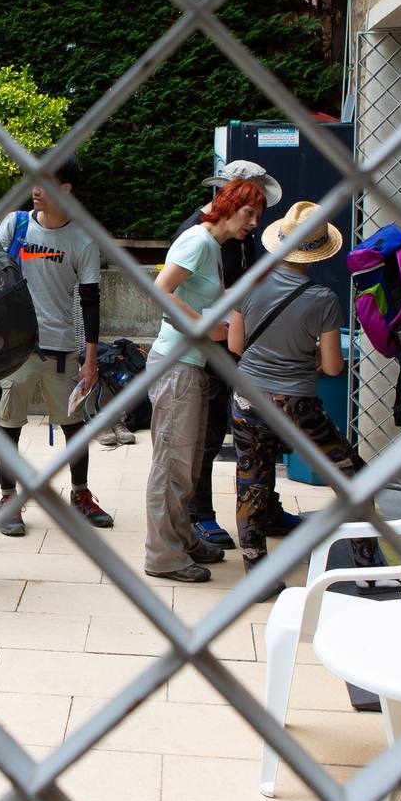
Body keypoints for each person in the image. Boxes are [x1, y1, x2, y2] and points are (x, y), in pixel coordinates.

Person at [228, 201, 381, 590]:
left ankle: (257, 573)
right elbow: (332, 367)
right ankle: (364, 559)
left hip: (247, 397)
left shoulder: (249, 284)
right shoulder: (323, 299)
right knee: (352, 475)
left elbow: (236, 344)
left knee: (252, 480)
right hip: (297, 404)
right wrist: (308, 353)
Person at [142, 177, 266, 583]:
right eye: (249, 214)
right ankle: (163, 555)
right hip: (177, 364)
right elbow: (160, 289)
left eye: (257, 217)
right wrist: (205, 328)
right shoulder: (198, 240)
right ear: (229, 206)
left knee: (187, 463)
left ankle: (181, 540)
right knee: (172, 466)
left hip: (188, 365)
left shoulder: (211, 245)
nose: (253, 224)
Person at [171, 160, 299, 551]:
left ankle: (265, 509)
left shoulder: (243, 231)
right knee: (207, 430)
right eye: (251, 206)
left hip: (241, 340)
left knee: (258, 426)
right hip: (206, 344)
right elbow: (169, 292)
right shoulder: (197, 233)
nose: (256, 217)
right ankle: (199, 513)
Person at [0, 153, 114, 536]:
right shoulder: (15, 226)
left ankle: (80, 494)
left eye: (43, 184)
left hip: (61, 348)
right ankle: (9, 498)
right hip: (14, 349)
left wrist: (91, 358)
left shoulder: (83, 239)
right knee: (9, 426)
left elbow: (91, 300)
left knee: (74, 426)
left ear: (66, 189)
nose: (35, 191)